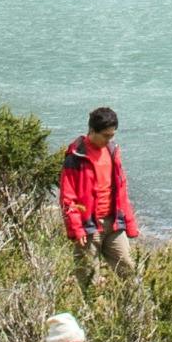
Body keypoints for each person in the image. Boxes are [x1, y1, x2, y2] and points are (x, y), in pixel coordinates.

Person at [57, 108, 139, 271]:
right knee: (89, 280)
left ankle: (133, 298)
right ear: (92, 131)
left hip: (114, 223)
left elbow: (121, 190)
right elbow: (68, 197)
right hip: (89, 227)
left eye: (112, 135)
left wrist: (130, 223)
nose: (109, 139)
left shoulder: (113, 151)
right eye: (106, 136)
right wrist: (76, 228)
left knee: (129, 272)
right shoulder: (75, 156)